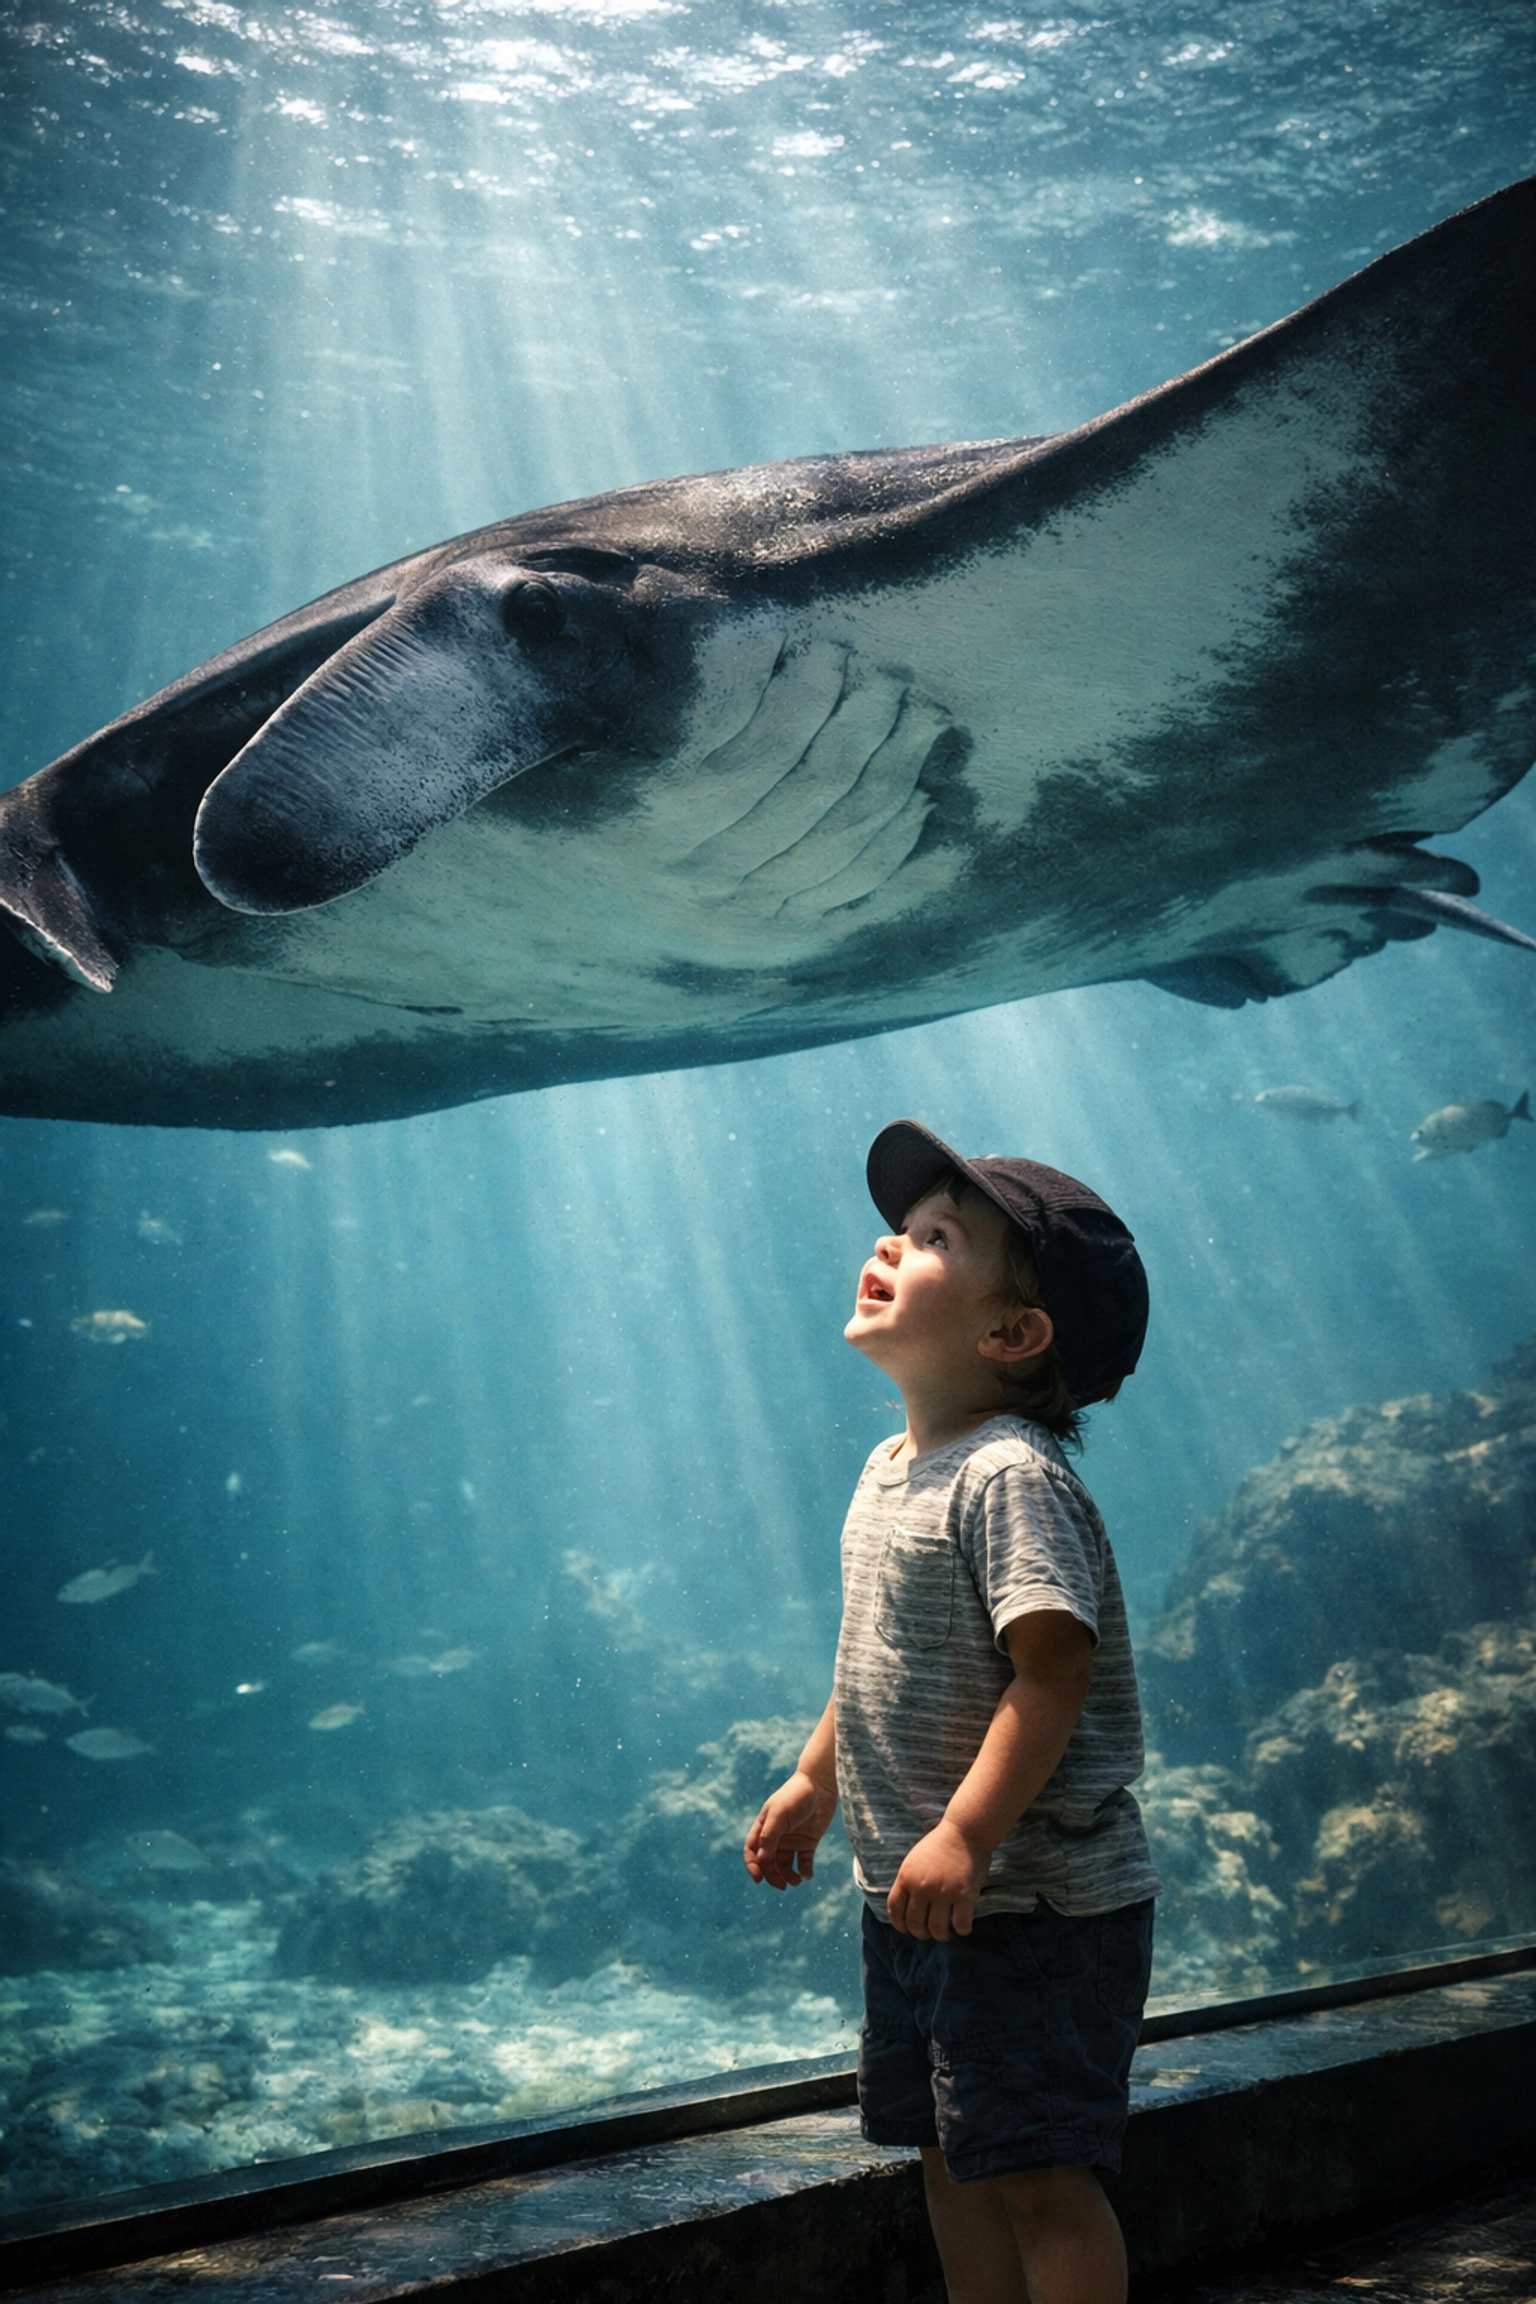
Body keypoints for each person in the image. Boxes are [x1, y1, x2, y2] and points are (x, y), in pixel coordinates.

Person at [743, 1118, 1159, 2304]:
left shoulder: (1008, 1476)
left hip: (1028, 1904)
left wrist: (966, 1835)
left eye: (933, 1238)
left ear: (1013, 1334)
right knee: (951, 2154)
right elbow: (872, 1657)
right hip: (923, 1900)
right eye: (903, 1224)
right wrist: (816, 1779)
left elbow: (1053, 1675)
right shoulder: (893, 1469)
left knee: (1040, 2172)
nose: (891, 1240)